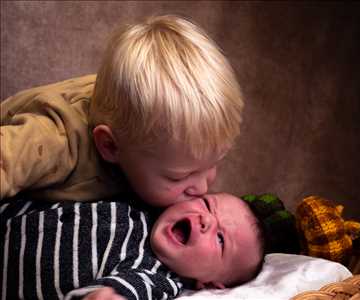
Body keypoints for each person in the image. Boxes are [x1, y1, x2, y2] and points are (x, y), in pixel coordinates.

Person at [0, 15, 243, 207]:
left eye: (213, 164)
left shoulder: (142, 122)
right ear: (110, 146)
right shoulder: (57, 140)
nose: (202, 187)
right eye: (178, 177)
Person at [0, 192, 266, 300]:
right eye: (207, 204)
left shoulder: (156, 276)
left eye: (221, 240)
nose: (206, 219)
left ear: (208, 284)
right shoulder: (148, 201)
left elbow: (124, 293)